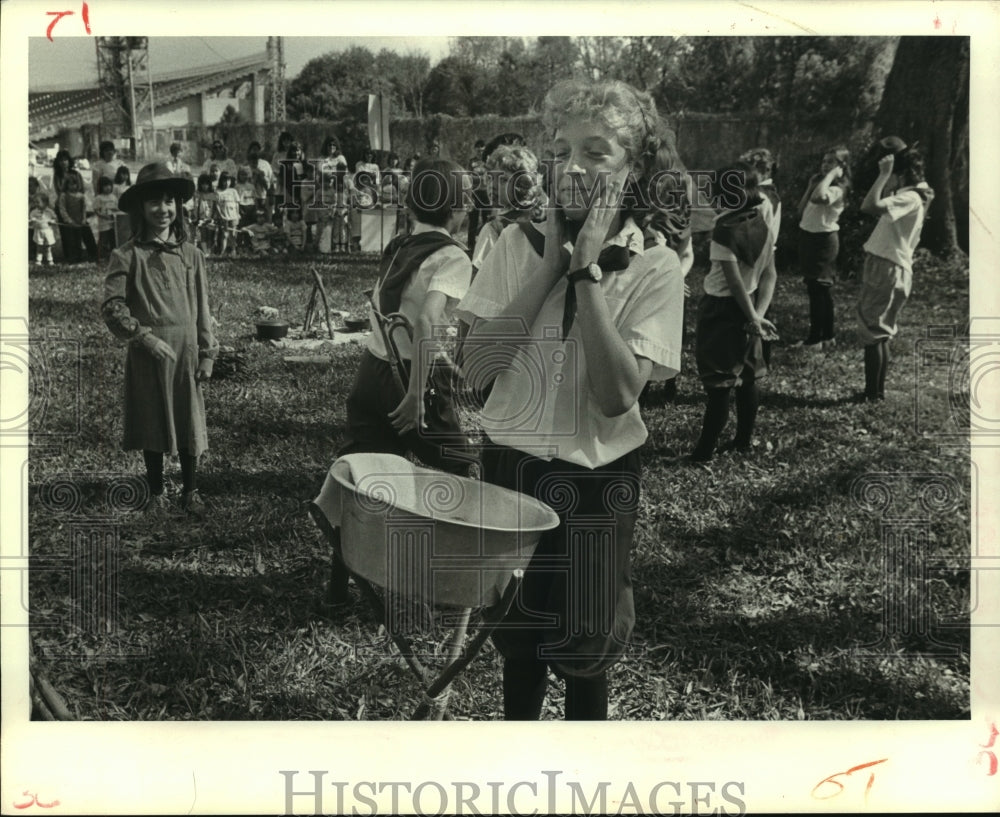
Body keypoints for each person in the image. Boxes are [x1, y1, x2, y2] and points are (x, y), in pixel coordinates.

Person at [456, 78, 684, 720]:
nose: (573, 168)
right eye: (560, 151)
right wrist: (550, 267)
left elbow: (616, 398)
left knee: (587, 648)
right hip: (512, 471)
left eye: (597, 151)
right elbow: (478, 371)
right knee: (519, 643)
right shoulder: (513, 245)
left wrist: (587, 272)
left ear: (633, 166)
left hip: (596, 483)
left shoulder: (655, 265)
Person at [327, 157, 476, 604]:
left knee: (362, 483)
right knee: (469, 474)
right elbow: (427, 323)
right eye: (465, 196)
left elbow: (397, 317)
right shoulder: (452, 256)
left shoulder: (398, 245)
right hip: (410, 382)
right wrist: (415, 396)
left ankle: (338, 587)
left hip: (372, 373)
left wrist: (441, 361)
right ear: (455, 210)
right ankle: (458, 585)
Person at [101, 163, 218, 516]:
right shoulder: (127, 255)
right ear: (140, 208)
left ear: (178, 206)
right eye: (154, 202)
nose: (163, 209)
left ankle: (191, 490)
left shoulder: (192, 255)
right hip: (150, 352)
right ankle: (156, 492)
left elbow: (202, 307)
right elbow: (112, 307)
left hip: (185, 351)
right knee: (152, 418)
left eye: (169, 201)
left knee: (188, 419)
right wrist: (143, 338)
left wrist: (208, 352)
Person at [684, 162, 778, 463]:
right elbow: (770, 275)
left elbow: (734, 282)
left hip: (721, 311)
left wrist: (752, 317)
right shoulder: (761, 220)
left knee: (719, 385)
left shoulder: (724, 230)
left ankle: (702, 453)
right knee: (747, 377)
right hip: (750, 308)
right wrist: (758, 315)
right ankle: (742, 441)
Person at [856, 144, 934, 402]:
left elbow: (868, 206)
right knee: (882, 331)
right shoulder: (916, 197)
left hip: (886, 265)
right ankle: (876, 392)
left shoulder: (909, 198)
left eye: (893, 174)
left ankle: (872, 394)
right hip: (896, 266)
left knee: (872, 330)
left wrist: (882, 174)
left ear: (900, 175)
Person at [794, 146, 851, 350]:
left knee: (820, 290)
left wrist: (831, 176)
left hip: (823, 241)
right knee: (816, 289)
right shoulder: (819, 185)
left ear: (841, 167)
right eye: (824, 161)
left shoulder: (837, 188)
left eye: (831, 162)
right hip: (809, 238)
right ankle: (826, 336)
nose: (825, 165)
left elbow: (819, 198)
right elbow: (801, 210)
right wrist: (811, 185)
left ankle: (816, 338)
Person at [470, 143, 544, 276]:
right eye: (490, 178)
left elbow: (478, 276)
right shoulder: (544, 217)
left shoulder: (494, 228)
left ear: (523, 184)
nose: (493, 185)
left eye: (503, 179)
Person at [51, 150, 87, 258]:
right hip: (63, 204)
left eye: (65, 160)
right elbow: (59, 190)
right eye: (61, 160)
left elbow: (81, 188)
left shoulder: (76, 173)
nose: (63, 162)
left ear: (69, 161)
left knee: (77, 229)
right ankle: (68, 254)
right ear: (57, 162)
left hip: (76, 204)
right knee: (65, 230)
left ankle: (78, 252)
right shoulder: (57, 175)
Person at [57, 172, 98, 263]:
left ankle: (84, 257)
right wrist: (68, 220)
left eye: (75, 184)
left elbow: (84, 209)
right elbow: (62, 209)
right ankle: (72, 259)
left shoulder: (81, 196)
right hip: (69, 223)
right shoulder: (64, 196)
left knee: (79, 239)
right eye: (70, 184)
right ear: (67, 185)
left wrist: (83, 219)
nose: (73, 186)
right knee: (71, 241)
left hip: (80, 221)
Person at [214, 171, 241, 256]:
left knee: (233, 234)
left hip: (233, 215)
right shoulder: (218, 191)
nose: (226, 183)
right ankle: (223, 250)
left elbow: (237, 204)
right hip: (224, 216)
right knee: (224, 234)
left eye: (228, 181)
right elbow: (217, 205)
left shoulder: (233, 191)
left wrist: (237, 214)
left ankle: (233, 250)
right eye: (224, 181)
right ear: (221, 181)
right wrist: (221, 215)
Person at [94, 176, 120, 261]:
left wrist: (115, 213)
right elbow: (96, 210)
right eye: (105, 186)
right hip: (103, 223)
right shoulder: (99, 198)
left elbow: (117, 208)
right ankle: (101, 256)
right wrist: (103, 216)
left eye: (109, 185)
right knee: (103, 240)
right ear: (101, 187)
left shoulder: (113, 197)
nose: (108, 188)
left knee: (113, 238)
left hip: (113, 222)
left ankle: (113, 254)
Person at [30, 192, 58, 266]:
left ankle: (50, 260)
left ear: (45, 203)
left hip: (48, 231)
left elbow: (55, 218)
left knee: (48, 247)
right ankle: (39, 260)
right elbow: (31, 219)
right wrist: (32, 220)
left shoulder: (49, 211)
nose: (36, 204)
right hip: (39, 232)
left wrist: (53, 221)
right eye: (35, 202)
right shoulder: (34, 212)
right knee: (39, 247)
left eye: (38, 202)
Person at [192, 173, 217, 255]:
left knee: (210, 235)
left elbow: (216, 208)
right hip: (202, 219)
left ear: (209, 184)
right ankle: (205, 252)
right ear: (200, 184)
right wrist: (195, 218)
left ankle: (209, 251)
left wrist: (214, 218)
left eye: (207, 184)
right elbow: (195, 207)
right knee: (203, 235)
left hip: (211, 219)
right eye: (203, 184)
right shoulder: (197, 194)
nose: (205, 186)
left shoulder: (213, 195)